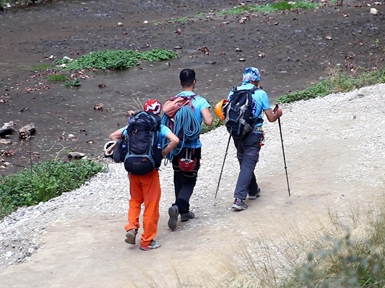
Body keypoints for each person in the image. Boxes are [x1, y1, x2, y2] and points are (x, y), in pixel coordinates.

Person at [109, 100, 179, 251]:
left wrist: (125, 148)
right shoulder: (160, 127)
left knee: (135, 201)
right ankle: (146, 241)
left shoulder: (132, 126)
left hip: (132, 171)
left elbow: (113, 136)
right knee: (151, 205)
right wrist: (162, 153)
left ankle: (131, 228)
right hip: (149, 171)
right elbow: (175, 140)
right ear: (158, 112)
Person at [226, 67, 282, 211]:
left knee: (243, 160)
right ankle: (239, 199)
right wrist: (278, 114)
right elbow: (271, 118)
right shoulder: (260, 93)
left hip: (236, 131)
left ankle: (253, 190)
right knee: (248, 163)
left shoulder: (233, 91)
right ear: (256, 80)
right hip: (253, 133)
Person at [164, 69, 214, 231]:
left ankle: (184, 212)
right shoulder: (200, 101)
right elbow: (209, 122)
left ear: (180, 83)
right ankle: (179, 207)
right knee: (190, 180)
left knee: (178, 177)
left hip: (175, 147)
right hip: (192, 148)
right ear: (194, 82)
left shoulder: (173, 102)